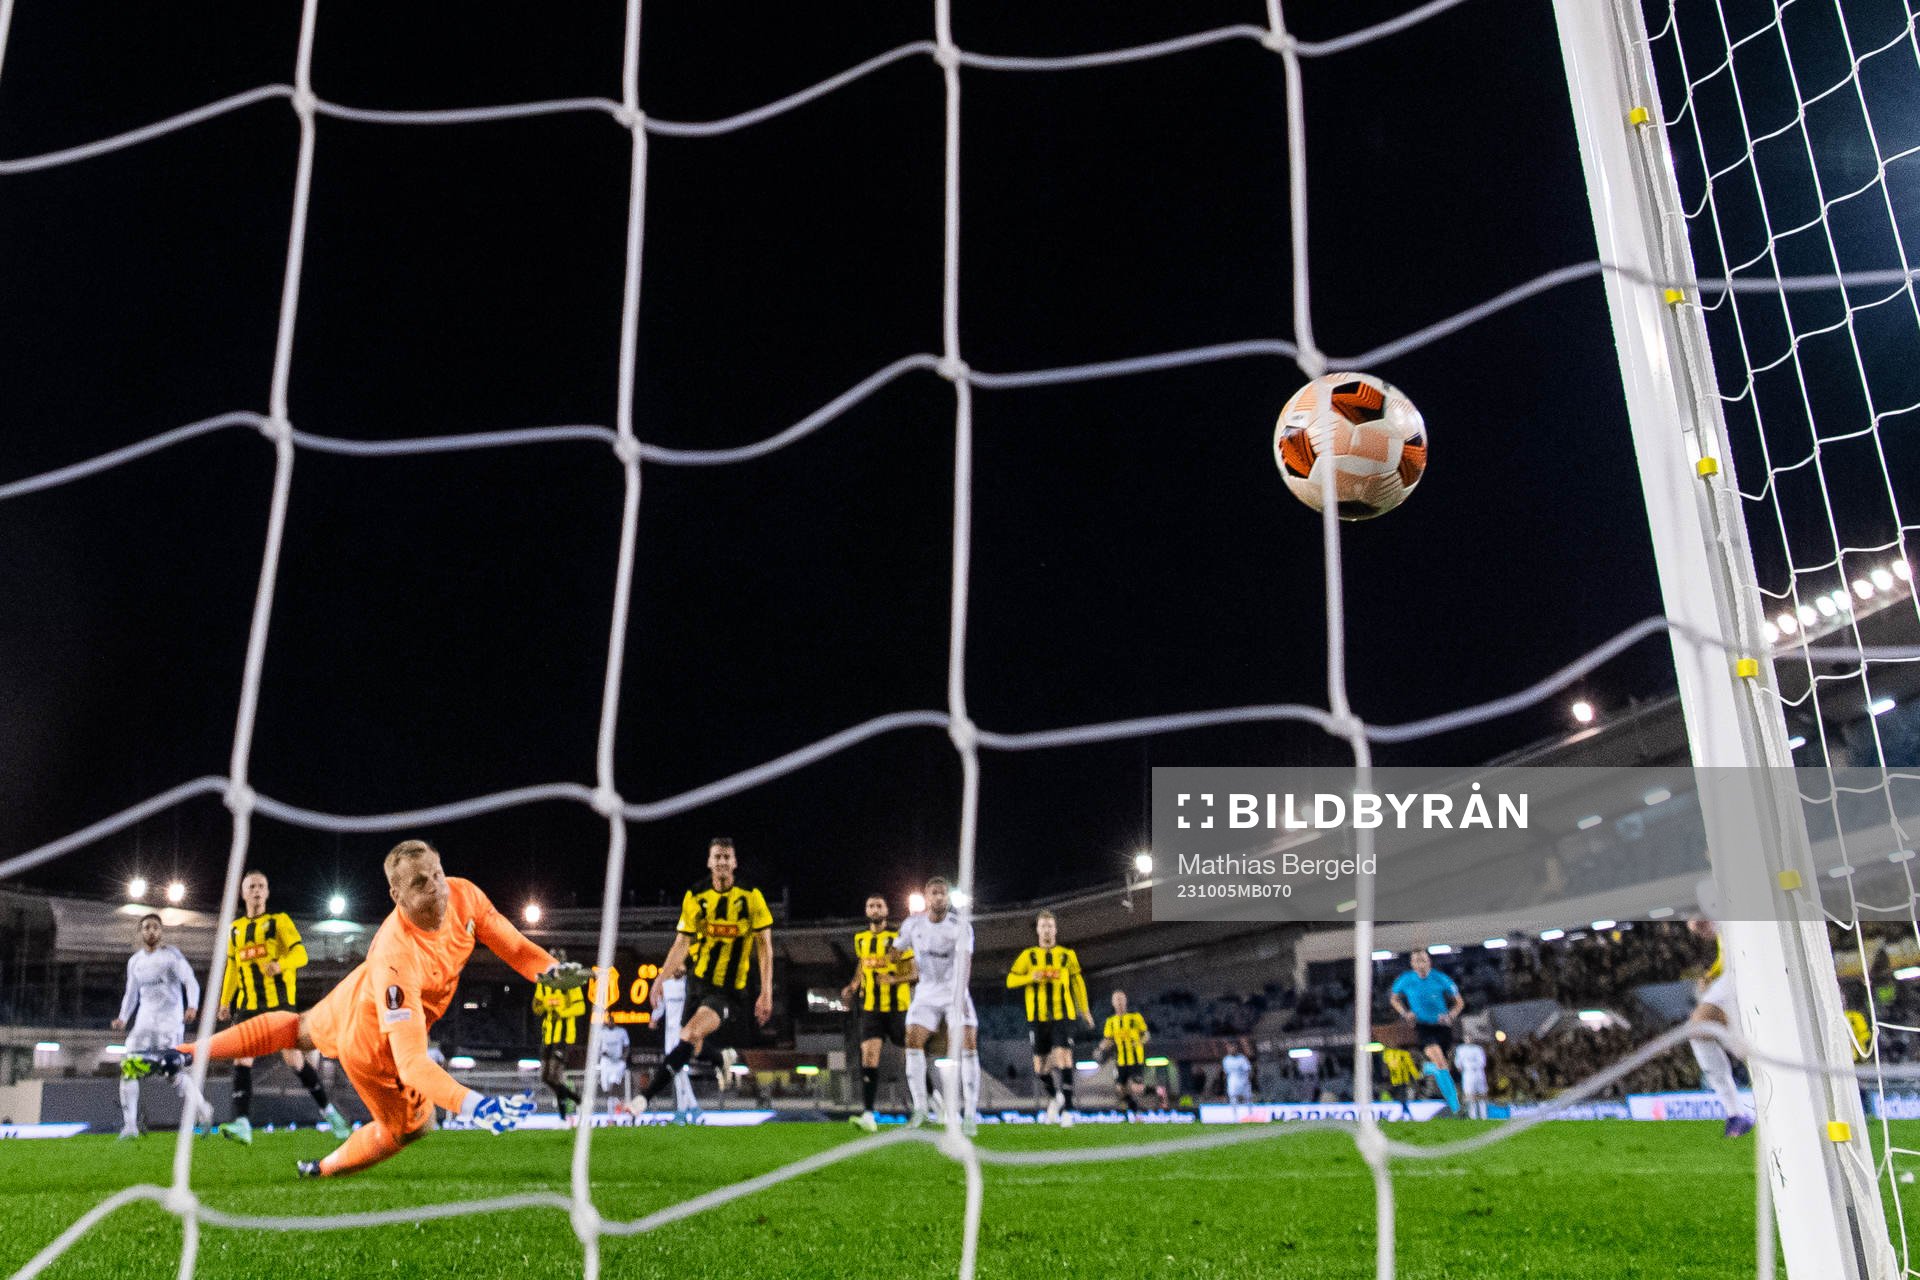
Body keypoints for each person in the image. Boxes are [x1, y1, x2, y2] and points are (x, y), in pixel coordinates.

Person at [181, 840, 588, 1177]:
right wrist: (474, 1105)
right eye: (419, 883)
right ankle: (322, 1167)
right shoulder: (396, 955)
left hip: (357, 988)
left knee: (297, 1027)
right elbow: (410, 1063)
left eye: (437, 874)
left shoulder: (464, 894)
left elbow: (515, 947)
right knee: (415, 1126)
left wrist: (551, 972)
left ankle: (180, 1054)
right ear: (397, 895)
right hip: (372, 1040)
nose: (436, 887)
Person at [635, 838, 775, 1113]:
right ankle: (720, 1057)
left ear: (734, 863)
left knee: (688, 1034)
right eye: (717, 857)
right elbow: (682, 943)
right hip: (697, 985)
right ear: (709, 862)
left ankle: (643, 1099)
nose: (722, 862)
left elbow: (764, 946)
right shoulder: (696, 896)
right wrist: (660, 979)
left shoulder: (750, 896)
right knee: (691, 1044)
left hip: (729, 990)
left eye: (727, 857)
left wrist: (766, 991)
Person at [216, 869, 349, 1142]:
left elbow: (301, 954)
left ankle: (331, 1113)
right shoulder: (235, 930)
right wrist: (225, 1001)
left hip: (279, 1004)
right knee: (242, 1057)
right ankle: (242, 1121)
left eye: (261, 886)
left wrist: (280, 964)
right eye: (251, 886)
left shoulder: (279, 922)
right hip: (248, 1007)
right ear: (243, 893)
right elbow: (232, 967)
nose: (256, 890)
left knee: (294, 1059)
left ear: (267, 892)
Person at [889, 876, 982, 1133]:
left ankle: (971, 1115)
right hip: (927, 992)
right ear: (927, 898)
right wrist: (895, 958)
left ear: (948, 898)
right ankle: (920, 1109)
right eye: (934, 893)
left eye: (942, 893)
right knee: (912, 1040)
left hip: (954, 991)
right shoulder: (913, 925)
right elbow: (895, 954)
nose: (938, 897)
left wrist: (961, 996)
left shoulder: (959, 926)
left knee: (968, 1044)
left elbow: (966, 962)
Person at [113, 914, 214, 1137]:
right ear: (140, 933)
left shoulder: (171, 956)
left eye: (155, 927)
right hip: (144, 1023)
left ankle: (203, 1109)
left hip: (169, 1022)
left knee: (173, 1073)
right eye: (146, 927)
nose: (151, 931)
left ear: (161, 932)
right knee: (129, 1067)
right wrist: (123, 1017)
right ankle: (130, 1126)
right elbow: (131, 994)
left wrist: (193, 1005)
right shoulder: (135, 962)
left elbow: (190, 981)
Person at [1006, 908, 1095, 1127]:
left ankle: (1067, 1112)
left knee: (1064, 1058)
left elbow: (1078, 984)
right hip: (1037, 1017)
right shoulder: (1029, 956)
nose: (1047, 930)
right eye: (1043, 926)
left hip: (1063, 1015)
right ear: (1038, 929)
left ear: (1056, 929)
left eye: (1050, 926)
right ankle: (1056, 1099)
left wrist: (1085, 1011)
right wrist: (1029, 977)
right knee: (1041, 1069)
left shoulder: (1067, 955)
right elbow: (1010, 980)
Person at [841, 892, 913, 1133]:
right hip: (870, 1008)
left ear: (886, 910)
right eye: (870, 905)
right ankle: (869, 1114)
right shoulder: (860, 939)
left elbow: (915, 973)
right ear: (866, 911)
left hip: (897, 1008)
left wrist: (893, 981)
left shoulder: (898, 938)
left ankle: (933, 1102)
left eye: (878, 905)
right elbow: (862, 965)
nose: (874, 909)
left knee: (912, 1058)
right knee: (868, 1058)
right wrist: (853, 985)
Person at [1687, 917, 1754, 1137]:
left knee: (1751, 1048)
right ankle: (1735, 1112)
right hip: (1734, 974)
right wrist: (1712, 974)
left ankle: (1748, 1109)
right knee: (1698, 1027)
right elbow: (1728, 951)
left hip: (1756, 968)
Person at [1388, 948, 1463, 1112]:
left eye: (1423, 960)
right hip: (1423, 1027)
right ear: (1412, 964)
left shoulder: (1440, 978)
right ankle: (1456, 1107)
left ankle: (1425, 1069)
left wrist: (1451, 1015)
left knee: (1442, 1067)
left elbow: (1459, 1002)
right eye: (1416, 960)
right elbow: (1394, 998)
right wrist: (1405, 1013)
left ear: (1429, 961)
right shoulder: (1405, 980)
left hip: (1442, 1027)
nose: (1420, 964)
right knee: (1440, 1061)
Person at [532, 949, 586, 1121]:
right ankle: (576, 1098)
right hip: (547, 1035)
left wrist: (561, 1011)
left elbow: (580, 1007)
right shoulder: (544, 981)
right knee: (545, 1077)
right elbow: (537, 1005)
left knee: (555, 1075)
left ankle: (563, 1116)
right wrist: (543, 1006)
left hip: (563, 1036)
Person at [1097, 990, 1151, 1118]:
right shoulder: (1111, 1021)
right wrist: (1100, 1048)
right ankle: (1135, 1109)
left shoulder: (1135, 1017)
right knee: (1120, 1089)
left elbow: (1146, 1035)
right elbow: (1108, 1039)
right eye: (1117, 999)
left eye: (1121, 999)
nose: (1119, 1002)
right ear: (1113, 1002)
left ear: (1125, 1001)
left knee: (1137, 1088)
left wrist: (1139, 1042)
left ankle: (1157, 1091)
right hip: (1121, 1059)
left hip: (1136, 1058)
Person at [655, 972, 701, 1119]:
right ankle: (692, 1107)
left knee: (675, 1068)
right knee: (676, 1070)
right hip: (670, 1034)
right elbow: (661, 1006)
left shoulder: (688, 985)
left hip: (683, 1032)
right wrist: (654, 1018)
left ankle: (684, 1110)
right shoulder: (665, 985)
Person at [594, 1014, 631, 1115]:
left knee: (613, 1083)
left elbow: (627, 1046)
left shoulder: (621, 1032)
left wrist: (624, 1057)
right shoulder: (602, 1032)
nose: (610, 1023)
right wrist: (602, 1053)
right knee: (605, 1088)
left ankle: (612, 1111)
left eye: (612, 1021)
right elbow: (597, 1047)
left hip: (617, 1062)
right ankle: (616, 1105)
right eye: (608, 1021)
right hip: (606, 1062)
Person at [1454, 1037, 1489, 1119]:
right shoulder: (1461, 1049)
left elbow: (1482, 1061)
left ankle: (1483, 1115)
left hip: (1479, 1073)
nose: (1469, 1040)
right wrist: (1460, 1067)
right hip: (1468, 1073)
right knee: (1469, 1094)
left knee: (1481, 1093)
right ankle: (1472, 1115)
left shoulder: (1478, 1049)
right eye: (1467, 1038)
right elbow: (1458, 1062)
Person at [1221, 1041, 1254, 1117]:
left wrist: (1248, 1081)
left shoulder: (1242, 1058)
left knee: (1248, 1098)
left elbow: (1248, 1070)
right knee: (1233, 1097)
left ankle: (1250, 1114)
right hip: (1232, 1081)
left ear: (1236, 1048)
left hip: (1243, 1081)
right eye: (1230, 1047)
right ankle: (1235, 1116)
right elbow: (1225, 1073)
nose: (1231, 1049)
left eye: (1233, 1047)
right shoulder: (1226, 1060)